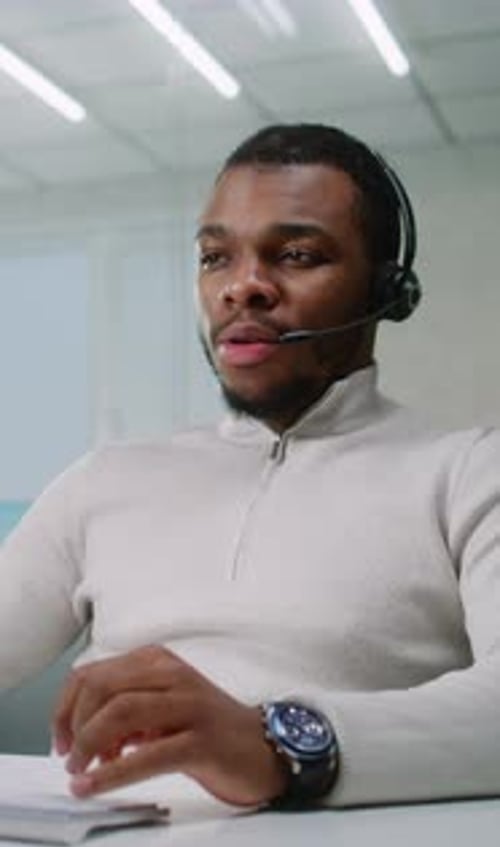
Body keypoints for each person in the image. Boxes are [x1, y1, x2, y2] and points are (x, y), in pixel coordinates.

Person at [1, 123, 499, 811]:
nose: (244, 287)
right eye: (216, 258)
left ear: (388, 289)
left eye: (295, 255)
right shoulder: (105, 478)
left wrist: (273, 745)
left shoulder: (469, 471)